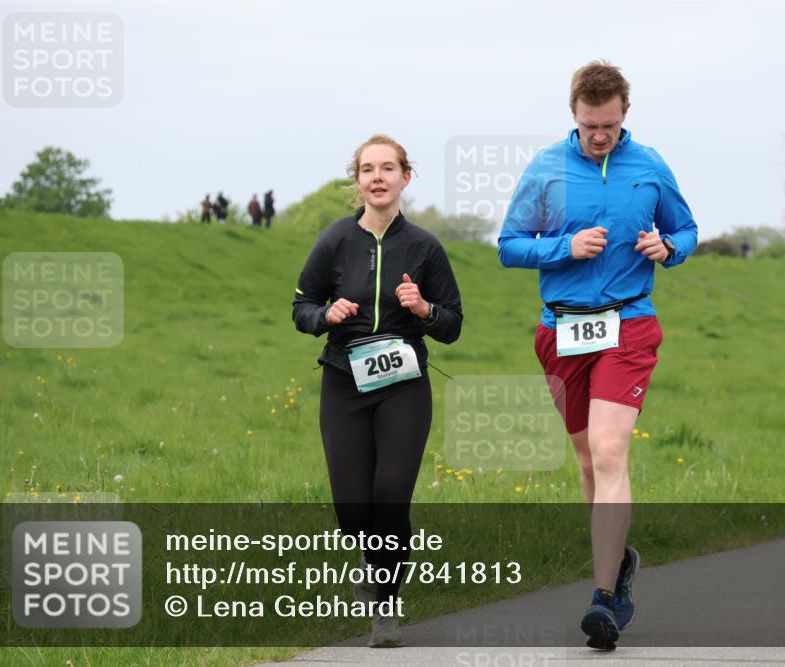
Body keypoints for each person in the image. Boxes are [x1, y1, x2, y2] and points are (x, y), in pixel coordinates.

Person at [499, 60, 698, 650]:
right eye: (589, 126)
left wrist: (667, 247)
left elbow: (686, 231)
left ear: (624, 116)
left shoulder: (650, 166)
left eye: (608, 126)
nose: (599, 136)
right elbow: (509, 247)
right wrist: (565, 246)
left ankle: (605, 597)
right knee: (588, 463)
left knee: (611, 451)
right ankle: (620, 563)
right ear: (574, 115)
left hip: (630, 322)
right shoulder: (545, 169)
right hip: (562, 331)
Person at [292, 134, 463, 648]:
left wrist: (422, 310)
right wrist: (327, 314)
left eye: (388, 168)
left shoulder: (425, 247)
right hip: (344, 382)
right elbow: (300, 308)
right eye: (368, 169)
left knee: (390, 497)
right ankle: (372, 563)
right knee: (352, 509)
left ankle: (384, 605)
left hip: (404, 384)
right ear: (358, 181)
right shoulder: (336, 240)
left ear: (405, 178)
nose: (378, 177)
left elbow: (452, 323)